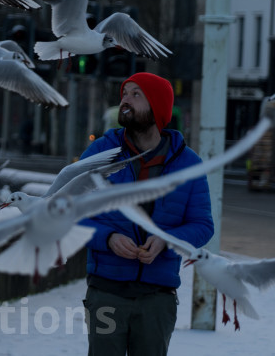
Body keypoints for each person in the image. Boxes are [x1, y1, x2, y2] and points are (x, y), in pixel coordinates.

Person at [79, 72, 213, 356]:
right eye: (124, 93)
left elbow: (203, 225)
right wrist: (108, 238)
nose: (125, 101)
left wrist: (167, 240)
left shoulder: (189, 163)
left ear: (157, 107)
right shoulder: (100, 152)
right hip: (106, 292)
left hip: (157, 297)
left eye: (136, 94)